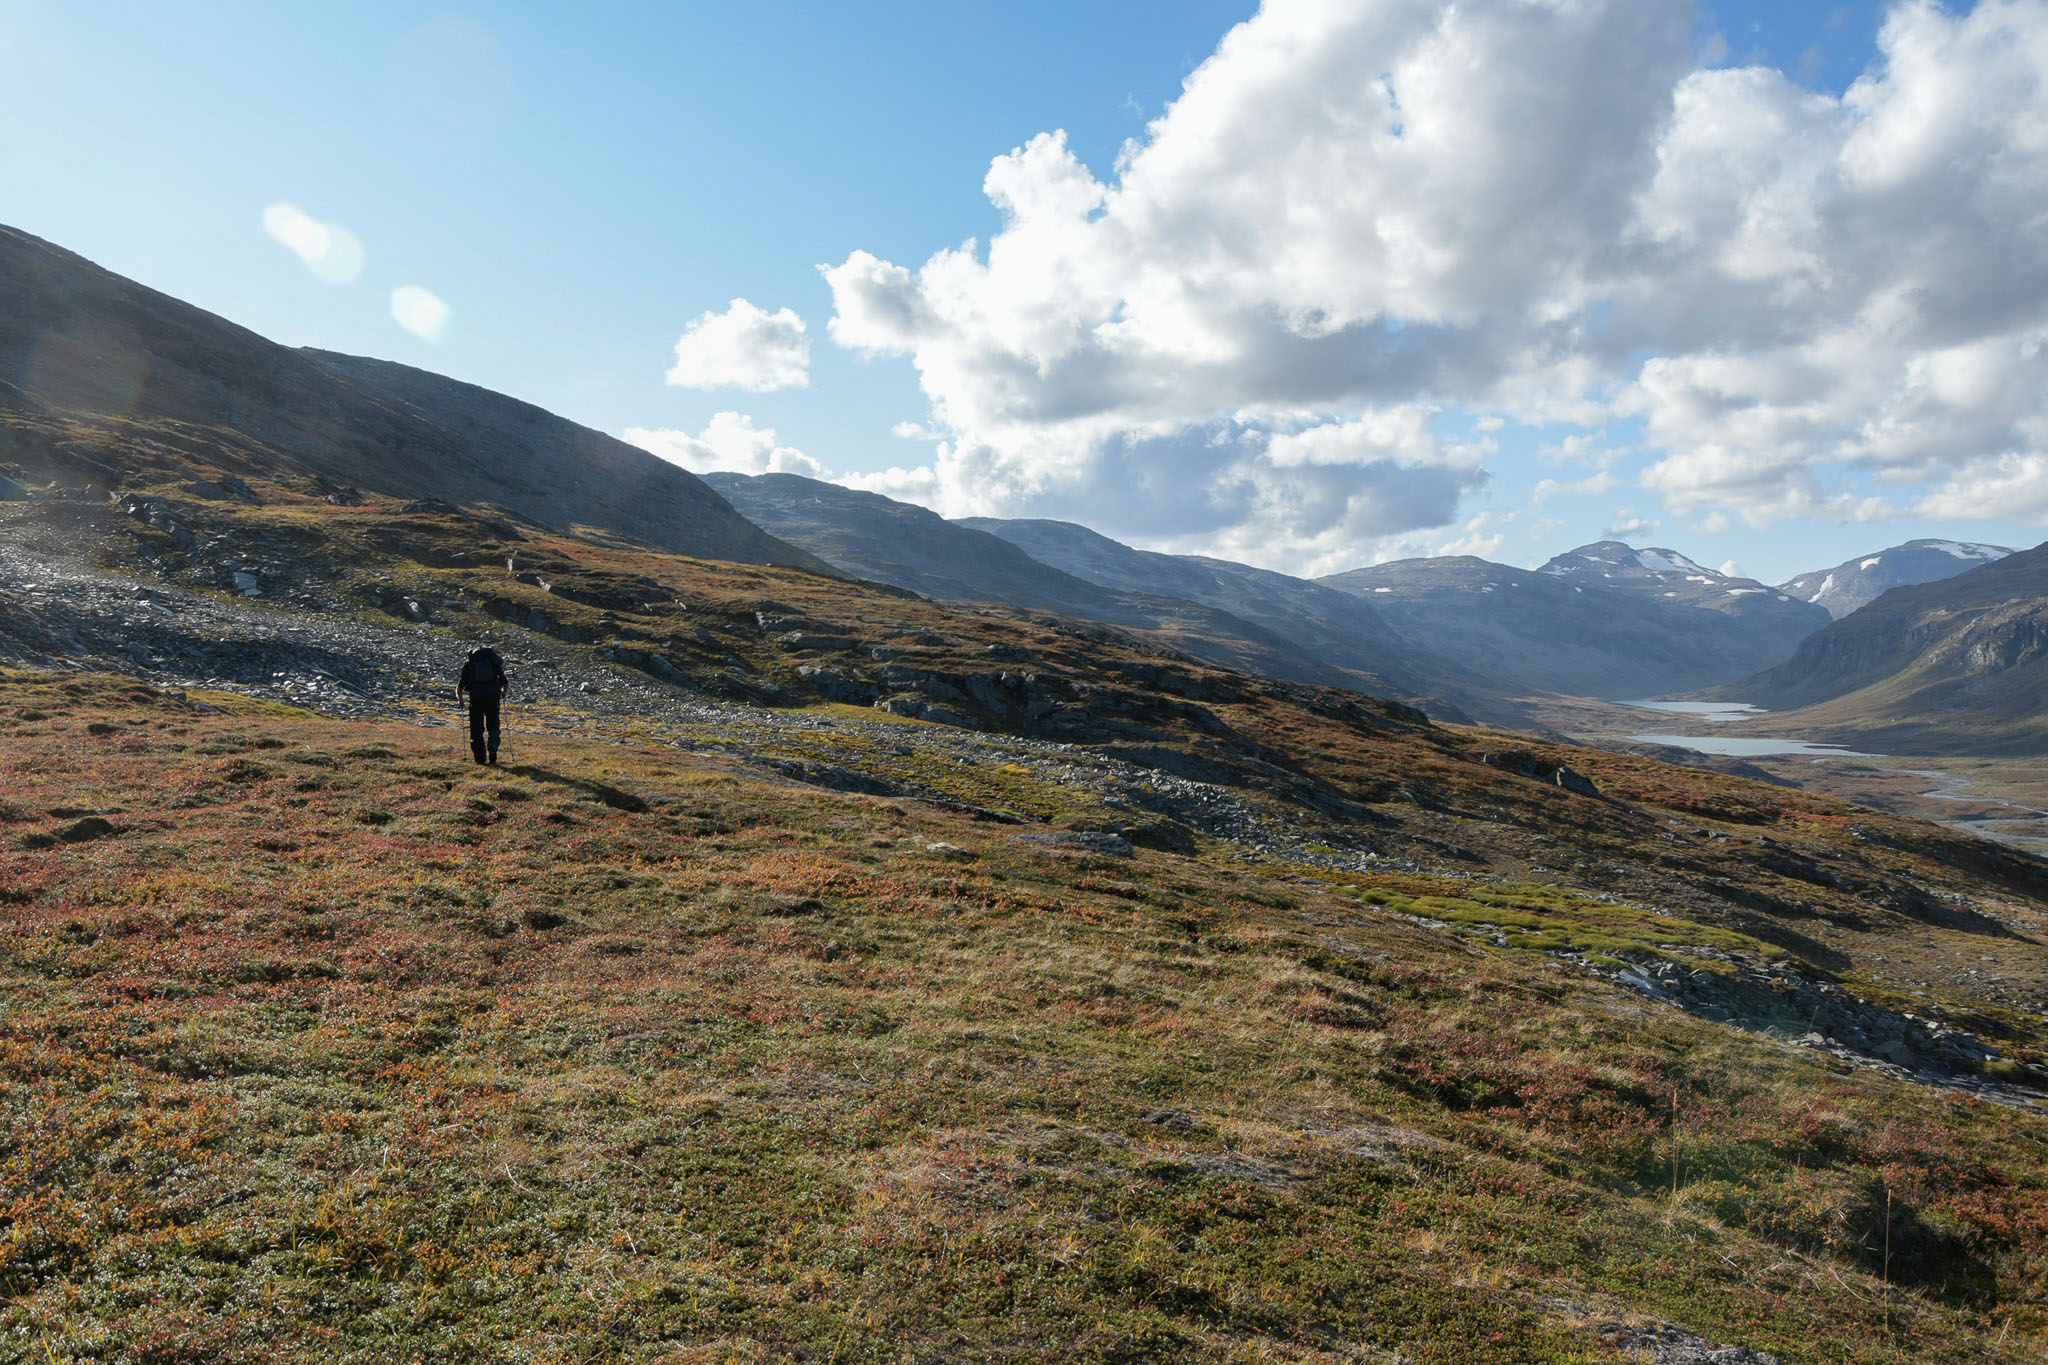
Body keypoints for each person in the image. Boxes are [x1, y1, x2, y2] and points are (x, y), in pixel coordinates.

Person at [456, 646, 510, 765]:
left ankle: (480, 759)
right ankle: (493, 744)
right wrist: (503, 694)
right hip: (493, 698)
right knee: (494, 726)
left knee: (476, 729)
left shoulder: (469, 664)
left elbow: (460, 687)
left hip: (476, 699)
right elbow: (505, 683)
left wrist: (460, 700)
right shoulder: (493, 663)